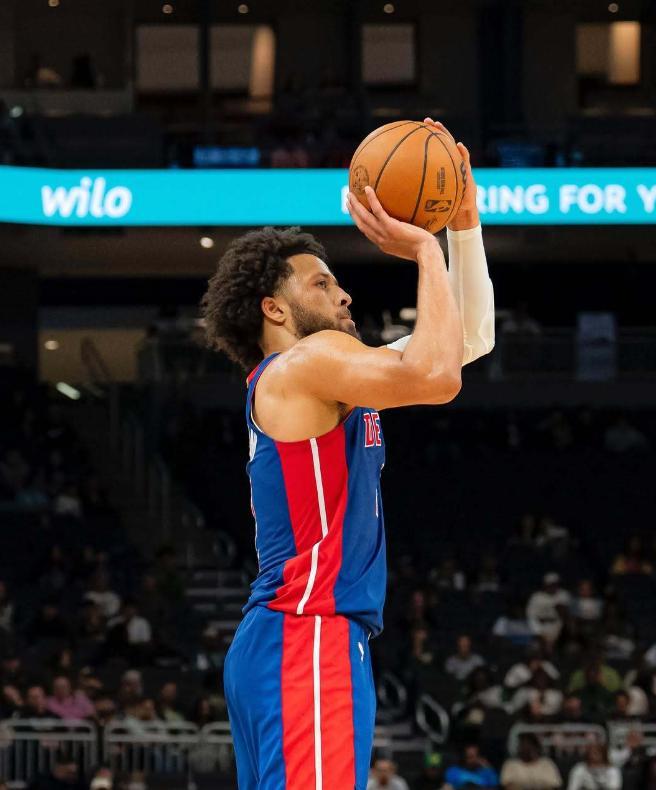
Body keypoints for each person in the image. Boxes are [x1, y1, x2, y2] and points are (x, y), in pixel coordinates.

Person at [201, 119, 495, 789]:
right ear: (275, 310)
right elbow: (438, 378)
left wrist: (463, 224)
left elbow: (466, 342)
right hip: (306, 632)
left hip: (287, 637)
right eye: (321, 284)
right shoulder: (309, 361)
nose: (344, 293)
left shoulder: (317, 375)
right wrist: (424, 249)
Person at [526, 573, 571, 643]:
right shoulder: (536, 597)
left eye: (555, 584)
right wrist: (538, 632)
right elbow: (531, 616)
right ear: (545, 584)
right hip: (541, 625)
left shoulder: (563, 594)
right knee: (535, 646)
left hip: (557, 625)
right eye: (550, 584)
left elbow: (565, 614)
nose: (553, 587)